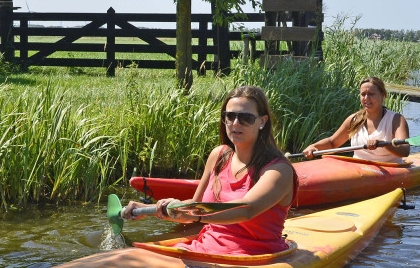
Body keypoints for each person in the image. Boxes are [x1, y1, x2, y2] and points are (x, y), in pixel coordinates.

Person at [123, 85, 296, 256]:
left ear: (262, 121)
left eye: (246, 118)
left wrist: (195, 215)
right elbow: (194, 206)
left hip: (254, 257)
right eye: (230, 116)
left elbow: (246, 209)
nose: (236, 123)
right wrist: (150, 209)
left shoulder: (278, 170)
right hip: (206, 248)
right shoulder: (218, 155)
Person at [300, 76, 410, 162]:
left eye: (371, 94)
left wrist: (384, 143)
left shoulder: (397, 119)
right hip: (358, 169)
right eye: (363, 94)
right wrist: (314, 146)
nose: (366, 98)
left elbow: (405, 150)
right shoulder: (354, 119)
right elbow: (333, 142)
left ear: (383, 95)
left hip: (391, 169)